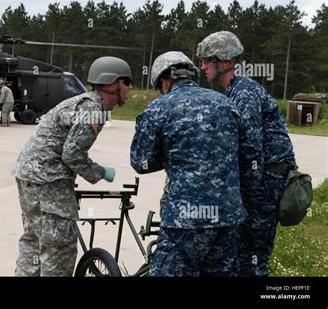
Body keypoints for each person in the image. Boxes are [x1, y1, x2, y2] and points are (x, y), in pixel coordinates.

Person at [130, 51, 247, 276]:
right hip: (228, 217)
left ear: (164, 82)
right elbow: (245, 153)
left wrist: (172, 156)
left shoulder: (158, 108)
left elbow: (140, 162)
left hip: (185, 220)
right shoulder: (226, 104)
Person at [14, 56, 133, 276]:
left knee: (33, 240)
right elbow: (72, 154)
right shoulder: (93, 109)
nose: (130, 88)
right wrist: (100, 172)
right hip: (48, 179)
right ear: (111, 85)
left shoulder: (85, 103)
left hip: (29, 174)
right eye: (126, 82)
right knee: (59, 247)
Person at [197, 31, 296, 276]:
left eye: (207, 60)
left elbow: (251, 151)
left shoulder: (244, 93)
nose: (202, 66)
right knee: (241, 258)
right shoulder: (234, 92)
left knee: (251, 258)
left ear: (225, 61)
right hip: (260, 183)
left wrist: (244, 198)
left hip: (263, 185)